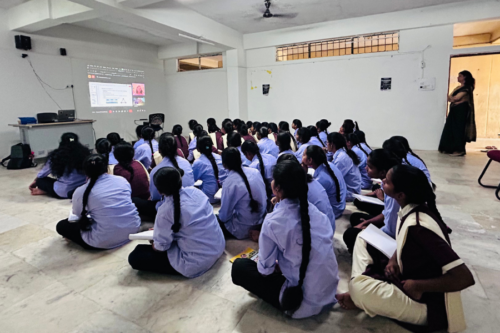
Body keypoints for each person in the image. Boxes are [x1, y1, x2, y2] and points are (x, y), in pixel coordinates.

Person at [337, 165, 474, 333]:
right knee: (361, 238)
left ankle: (359, 296)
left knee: (359, 290)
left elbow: (464, 277)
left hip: (427, 305)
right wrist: (394, 259)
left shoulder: (420, 227)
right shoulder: (410, 209)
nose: (382, 182)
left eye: (386, 182)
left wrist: (418, 286)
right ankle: (362, 292)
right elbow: (402, 239)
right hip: (407, 274)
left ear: (400, 195)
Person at [231, 160, 339, 319]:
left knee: (240, 267)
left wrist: (276, 265)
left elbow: (265, 271)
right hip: (329, 291)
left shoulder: (273, 222)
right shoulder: (318, 214)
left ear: (277, 189)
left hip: (298, 301)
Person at [128, 167, 225, 277]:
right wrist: (161, 230)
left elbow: (161, 248)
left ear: (159, 191)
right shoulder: (196, 192)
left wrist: (156, 239)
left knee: (136, 255)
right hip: (217, 247)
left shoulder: (165, 211)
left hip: (196, 263)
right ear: (180, 181)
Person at [56, 154, 141, 249]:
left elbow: (77, 215)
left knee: (62, 226)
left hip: (104, 240)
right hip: (133, 229)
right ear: (107, 167)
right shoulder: (122, 180)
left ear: (85, 172)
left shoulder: (81, 191)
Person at [343, 149, 400, 253]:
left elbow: (391, 231)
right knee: (356, 217)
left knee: (349, 234)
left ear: (382, 172)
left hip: (391, 236)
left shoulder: (394, 195)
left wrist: (369, 230)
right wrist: (368, 222)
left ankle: (369, 257)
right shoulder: (387, 183)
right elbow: (386, 213)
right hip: (388, 225)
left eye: (370, 167)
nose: (366, 168)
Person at [135, 133, 194, 219]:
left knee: (136, 201)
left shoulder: (156, 171)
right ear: (176, 149)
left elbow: (155, 197)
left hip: (167, 209)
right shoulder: (186, 163)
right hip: (189, 202)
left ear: (159, 150)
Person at [277, 154, 336, 232]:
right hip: (329, 226)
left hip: (318, 232)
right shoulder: (309, 180)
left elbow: (283, 212)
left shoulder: (295, 188)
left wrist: (278, 195)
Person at [217, 148, 267, 239]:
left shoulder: (229, 182)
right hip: (261, 222)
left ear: (224, 165)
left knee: (216, 219)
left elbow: (224, 217)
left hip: (243, 228)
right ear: (241, 159)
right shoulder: (255, 172)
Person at [29, 133, 89, 199]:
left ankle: (45, 191)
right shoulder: (86, 154)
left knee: (40, 181)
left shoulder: (56, 156)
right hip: (82, 190)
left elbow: (42, 174)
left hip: (63, 192)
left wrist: (35, 181)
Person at [302, 145, 346, 220]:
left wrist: (303, 173)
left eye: (303, 155)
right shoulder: (329, 165)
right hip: (341, 205)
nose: (301, 157)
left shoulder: (321, 179)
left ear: (310, 160)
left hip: (334, 210)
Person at [439, 70, 476, 156]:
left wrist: (454, 99)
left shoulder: (468, 88)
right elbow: (450, 98)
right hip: (454, 111)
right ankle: (449, 149)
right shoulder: (458, 88)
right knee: (451, 128)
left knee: (458, 130)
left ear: (465, 77)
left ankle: (459, 150)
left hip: (461, 111)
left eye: (460, 76)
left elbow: (456, 98)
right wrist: (453, 99)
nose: (458, 77)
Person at [327, 132, 362, 201]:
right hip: (349, 189)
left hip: (351, 193)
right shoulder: (341, 154)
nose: (326, 144)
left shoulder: (342, 158)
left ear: (332, 144)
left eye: (327, 142)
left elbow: (333, 178)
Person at [192, 136, 227, 203]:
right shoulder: (219, 157)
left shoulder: (198, 163)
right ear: (212, 146)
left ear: (198, 149)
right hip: (224, 194)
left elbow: (192, 179)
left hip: (210, 198)